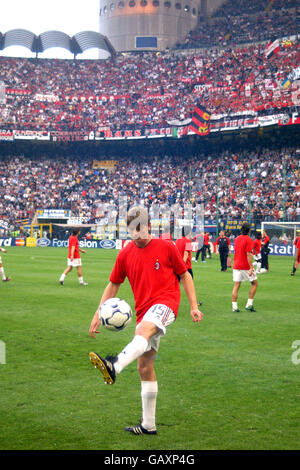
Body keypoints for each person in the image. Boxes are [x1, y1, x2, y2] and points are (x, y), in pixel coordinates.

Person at [89, 206, 203, 435]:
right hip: (144, 311)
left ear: (148, 226)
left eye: (140, 229)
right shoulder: (125, 254)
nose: (136, 235)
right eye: (132, 230)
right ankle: (148, 425)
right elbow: (113, 284)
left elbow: (185, 275)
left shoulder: (165, 246)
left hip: (166, 303)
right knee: (144, 367)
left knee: (142, 332)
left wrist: (193, 306)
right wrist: (97, 313)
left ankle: (115, 365)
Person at [232, 222, 258, 312]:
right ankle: (249, 305)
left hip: (236, 266)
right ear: (249, 230)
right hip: (245, 266)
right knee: (254, 284)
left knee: (236, 286)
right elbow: (249, 254)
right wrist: (251, 267)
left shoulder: (236, 239)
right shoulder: (249, 240)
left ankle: (234, 307)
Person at [175, 228, 202, 305]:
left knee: (175, 285)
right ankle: (194, 303)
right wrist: (182, 266)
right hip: (186, 267)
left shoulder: (178, 240)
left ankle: (172, 300)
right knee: (190, 285)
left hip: (177, 265)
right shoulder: (188, 241)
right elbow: (186, 254)